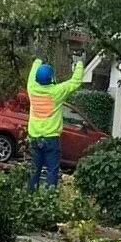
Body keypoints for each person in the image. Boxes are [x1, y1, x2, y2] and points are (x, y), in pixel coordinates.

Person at [27, 56, 84, 190]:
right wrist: (80, 63)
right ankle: (50, 200)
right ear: (52, 78)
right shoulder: (57, 92)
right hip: (51, 139)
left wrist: (38, 60)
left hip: (34, 138)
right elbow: (76, 82)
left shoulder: (32, 88)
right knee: (52, 171)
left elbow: (32, 72)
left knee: (33, 171)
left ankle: (28, 198)